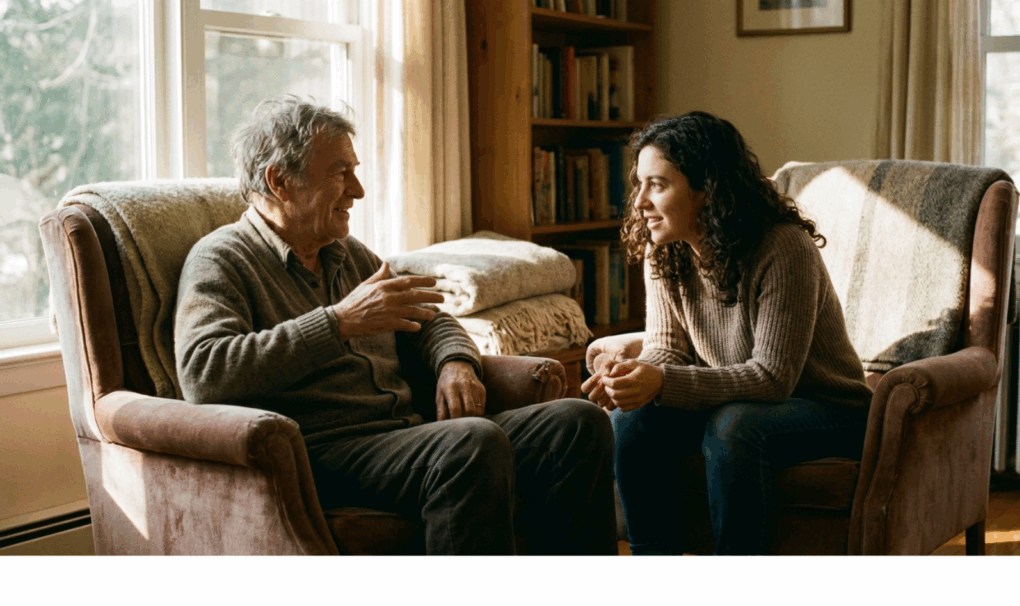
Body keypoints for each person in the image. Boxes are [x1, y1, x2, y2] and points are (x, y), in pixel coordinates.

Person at [174, 95, 617, 555]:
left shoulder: (346, 253)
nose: (358, 190)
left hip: (403, 435)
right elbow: (204, 374)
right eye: (340, 173)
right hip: (323, 452)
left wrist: (456, 363)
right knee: (470, 442)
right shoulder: (221, 259)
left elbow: (429, 318)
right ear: (280, 181)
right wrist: (338, 323)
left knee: (578, 421)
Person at [581, 112, 873, 555]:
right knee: (631, 418)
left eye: (657, 185)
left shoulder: (783, 247)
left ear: (706, 189)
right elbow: (667, 350)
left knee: (734, 424)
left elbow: (772, 378)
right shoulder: (665, 251)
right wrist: (632, 374)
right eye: (638, 184)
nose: (639, 201)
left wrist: (662, 382)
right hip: (740, 402)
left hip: (830, 406)